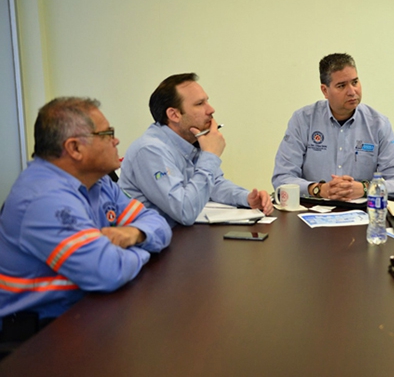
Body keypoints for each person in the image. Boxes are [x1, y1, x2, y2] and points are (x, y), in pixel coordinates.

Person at [0, 97, 171, 351]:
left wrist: (136, 233)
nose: (116, 141)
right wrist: (144, 250)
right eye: (107, 134)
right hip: (35, 336)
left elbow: (157, 222)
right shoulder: (43, 197)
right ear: (75, 148)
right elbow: (107, 271)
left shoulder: (99, 181)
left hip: (84, 312)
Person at [119, 73, 273, 227]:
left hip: (181, 235)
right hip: (152, 239)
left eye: (207, 101)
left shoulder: (190, 139)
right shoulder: (150, 150)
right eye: (200, 104)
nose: (211, 110)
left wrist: (246, 198)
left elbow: (214, 184)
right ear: (174, 114)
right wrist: (210, 155)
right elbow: (184, 212)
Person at [272, 53, 394, 200]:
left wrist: (365, 189)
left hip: (363, 211)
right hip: (311, 209)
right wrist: (318, 189)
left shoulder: (378, 124)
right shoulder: (303, 120)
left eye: (355, 82)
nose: (352, 92)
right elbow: (282, 178)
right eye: (341, 86)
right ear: (325, 91)